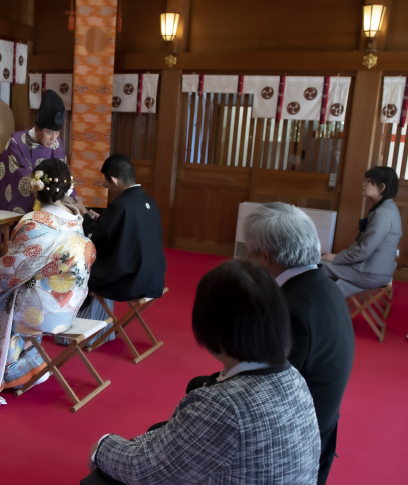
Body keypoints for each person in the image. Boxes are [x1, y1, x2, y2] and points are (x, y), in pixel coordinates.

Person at [83, 259, 321, 485]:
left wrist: (103, 447)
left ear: (211, 326)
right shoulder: (294, 378)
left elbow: (146, 471)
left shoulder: (224, 406)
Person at [0, 159, 95, 405]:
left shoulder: (34, 222)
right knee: (23, 295)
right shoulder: (75, 218)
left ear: (36, 188)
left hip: (39, 312)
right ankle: (28, 366)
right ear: (68, 187)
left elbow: (11, 269)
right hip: (68, 304)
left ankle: (1, 376)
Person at [242, 202, 354, 485]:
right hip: (322, 426)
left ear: (265, 257)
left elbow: (266, 395)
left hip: (293, 447)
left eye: (248, 252)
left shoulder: (294, 311)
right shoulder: (324, 285)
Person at [61, 155, 166, 346]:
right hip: (154, 277)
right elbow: (121, 227)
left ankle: (79, 333)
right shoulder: (148, 202)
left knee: (80, 270)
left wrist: (83, 213)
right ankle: (104, 331)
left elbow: (97, 236)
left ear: (115, 180)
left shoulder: (122, 205)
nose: (108, 189)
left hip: (132, 281)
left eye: (108, 184)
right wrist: (93, 214)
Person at [0, 89, 73, 213]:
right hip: (25, 208)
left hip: (52, 205)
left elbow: (64, 173)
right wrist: (47, 192)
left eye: (57, 133)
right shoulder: (16, 144)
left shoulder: (56, 144)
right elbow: (22, 179)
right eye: (49, 133)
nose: (54, 138)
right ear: (36, 129)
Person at [322, 166, 402, 297]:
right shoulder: (387, 208)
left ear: (381, 188)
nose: (363, 184)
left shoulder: (383, 214)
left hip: (371, 273)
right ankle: (329, 298)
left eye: (369, 181)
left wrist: (337, 257)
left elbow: (364, 250)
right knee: (323, 263)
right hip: (374, 270)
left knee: (318, 266)